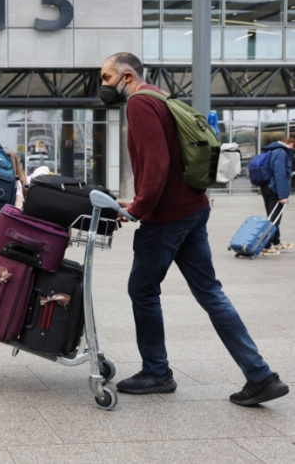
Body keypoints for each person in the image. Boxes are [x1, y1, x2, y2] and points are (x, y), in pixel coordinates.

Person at [99, 51, 288, 406]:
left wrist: (138, 209)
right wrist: (137, 199)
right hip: (192, 208)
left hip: (167, 217)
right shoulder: (160, 97)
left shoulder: (139, 104)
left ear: (126, 77)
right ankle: (260, 376)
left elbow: (157, 165)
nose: (102, 85)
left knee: (142, 289)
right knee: (210, 292)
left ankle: (157, 371)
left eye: (106, 78)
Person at [257, 137, 295, 255]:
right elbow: (280, 174)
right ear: (292, 144)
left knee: (272, 216)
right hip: (274, 189)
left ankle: (276, 242)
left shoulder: (271, 149)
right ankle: (265, 246)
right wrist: (283, 195)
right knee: (274, 219)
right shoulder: (281, 153)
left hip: (266, 186)